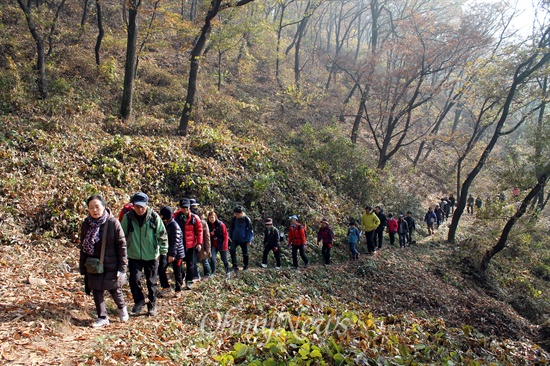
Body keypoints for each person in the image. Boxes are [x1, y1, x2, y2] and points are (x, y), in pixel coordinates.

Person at [80, 194, 128, 328]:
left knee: (114, 289)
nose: (94, 210)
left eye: (97, 207)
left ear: (104, 207)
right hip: (93, 263)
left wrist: (122, 267)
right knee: (96, 290)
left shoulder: (113, 223)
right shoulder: (86, 224)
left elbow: (122, 245)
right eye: (91, 208)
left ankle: (122, 308)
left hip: (111, 263)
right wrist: (82, 265)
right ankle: (102, 317)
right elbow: (83, 246)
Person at [120, 192, 168, 317]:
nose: (140, 209)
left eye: (142, 206)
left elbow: (162, 234)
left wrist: (163, 252)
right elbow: (121, 235)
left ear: (147, 205)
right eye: (137, 206)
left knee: (151, 282)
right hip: (134, 254)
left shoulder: (154, 217)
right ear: (133, 206)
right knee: (134, 279)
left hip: (151, 255)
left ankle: (152, 305)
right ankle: (139, 301)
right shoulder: (128, 217)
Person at [173, 198, 203, 289]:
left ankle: (189, 281)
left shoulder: (194, 218)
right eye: (183, 207)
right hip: (179, 244)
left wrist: (199, 243)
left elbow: (199, 230)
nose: (185, 209)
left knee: (190, 264)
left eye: (187, 207)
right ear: (180, 207)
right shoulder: (175, 217)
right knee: (178, 263)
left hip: (190, 245)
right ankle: (180, 278)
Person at [158, 206, 185, 298]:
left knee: (177, 272)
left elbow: (175, 242)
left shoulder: (174, 226)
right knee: (161, 269)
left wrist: (172, 254)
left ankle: (178, 289)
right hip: (166, 251)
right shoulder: (164, 224)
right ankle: (165, 286)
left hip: (177, 254)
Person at [190, 201, 211, 280]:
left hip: (202, 245)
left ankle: (207, 274)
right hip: (193, 245)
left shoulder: (203, 223)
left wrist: (208, 248)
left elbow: (207, 236)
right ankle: (196, 275)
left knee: (204, 261)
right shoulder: (189, 223)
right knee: (193, 261)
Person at [229, 205, 254, 271]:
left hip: (243, 239)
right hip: (235, 238)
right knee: (232, 250)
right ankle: (235, 265)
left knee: (245, 253)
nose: (236, 215)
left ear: (241, 213)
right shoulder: (234, 219)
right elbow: (231, 228)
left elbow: (250, 230)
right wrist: (230, 237)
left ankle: (246, 265)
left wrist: (249, 239)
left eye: (237, 214)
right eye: (235, 214)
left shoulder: (246, 219)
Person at [207, 211, 230, 276]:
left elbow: (225, 235)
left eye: (212, 217)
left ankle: (228, 272)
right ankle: (213, 273)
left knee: (224, 259)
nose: (211, 219)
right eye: (210, 218)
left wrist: (225, 245)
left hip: (221, 244)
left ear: (215, 217)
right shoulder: (208, 225)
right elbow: (206, 235)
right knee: (212, 259)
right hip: (213, 245)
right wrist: (210, 234)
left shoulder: (221, 224)